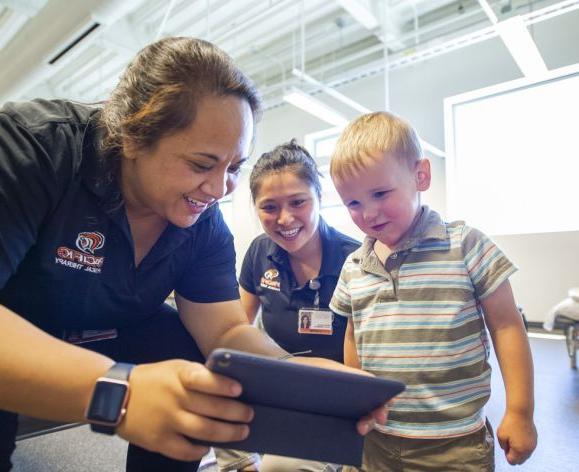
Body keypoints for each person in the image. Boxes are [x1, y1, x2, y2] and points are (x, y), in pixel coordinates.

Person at [0, 38, 384, 472]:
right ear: (131, 136)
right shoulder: (32, 150)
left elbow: (223, 332)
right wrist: (118, 390)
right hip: (17, 329)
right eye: (202, 165)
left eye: (234, 168)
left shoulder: (203, 225)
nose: (220, 189)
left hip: (110, 330)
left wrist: (299, 378)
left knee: (186, 348)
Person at [328, 112, 537, 471]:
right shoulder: (354, 266)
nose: (369, 213)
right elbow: (353, 334)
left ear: (420, 176)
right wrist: (358, 397)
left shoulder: (466, 246)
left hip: (454, 445)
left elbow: (506, 326)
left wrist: (520, 412)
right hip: (377, 440)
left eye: (380, 193)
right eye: (353, 203)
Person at [215, 141, 360, 472]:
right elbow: (233, 330)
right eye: (269, 207)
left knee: (280, 468)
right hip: (279, 385)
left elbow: (366, 369)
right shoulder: (259, 252)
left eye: (298, 202)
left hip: (334, 396)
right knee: (208, 382)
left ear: (319, 199)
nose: (285, 219)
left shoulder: (355, 259)